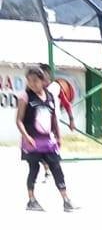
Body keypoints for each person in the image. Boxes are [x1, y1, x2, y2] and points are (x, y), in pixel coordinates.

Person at [16, 66, 76, 212]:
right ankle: (31, 200)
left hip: (48, 142)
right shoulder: (25, 97)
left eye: (35, 81)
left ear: (43, 81)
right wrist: (26, 136)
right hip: (32, 141)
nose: (32, 84)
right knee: (34, 169)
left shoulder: (49, 96)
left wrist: (58, 136)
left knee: (56, 167)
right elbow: (19, 120)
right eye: (29, 81)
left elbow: (53, 117)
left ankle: (66, 200)